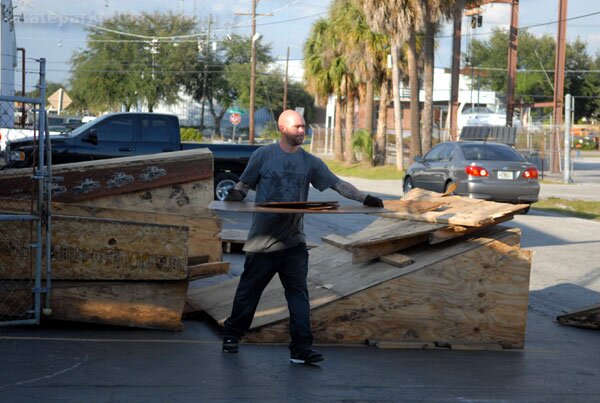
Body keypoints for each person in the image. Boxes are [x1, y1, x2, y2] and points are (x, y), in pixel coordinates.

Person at [222, 110, 384, 365]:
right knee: (248, 292)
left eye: (304, 126)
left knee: (298, 296)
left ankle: (301, 348)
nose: (303, 131)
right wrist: (236, 195)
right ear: (282, 129)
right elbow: (244, 184)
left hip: (294, 243)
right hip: (263, 242)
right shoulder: (263, 156)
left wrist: (366, 199)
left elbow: (338, 185)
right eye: (297, 126)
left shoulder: (310, 162)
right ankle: (232, 334)